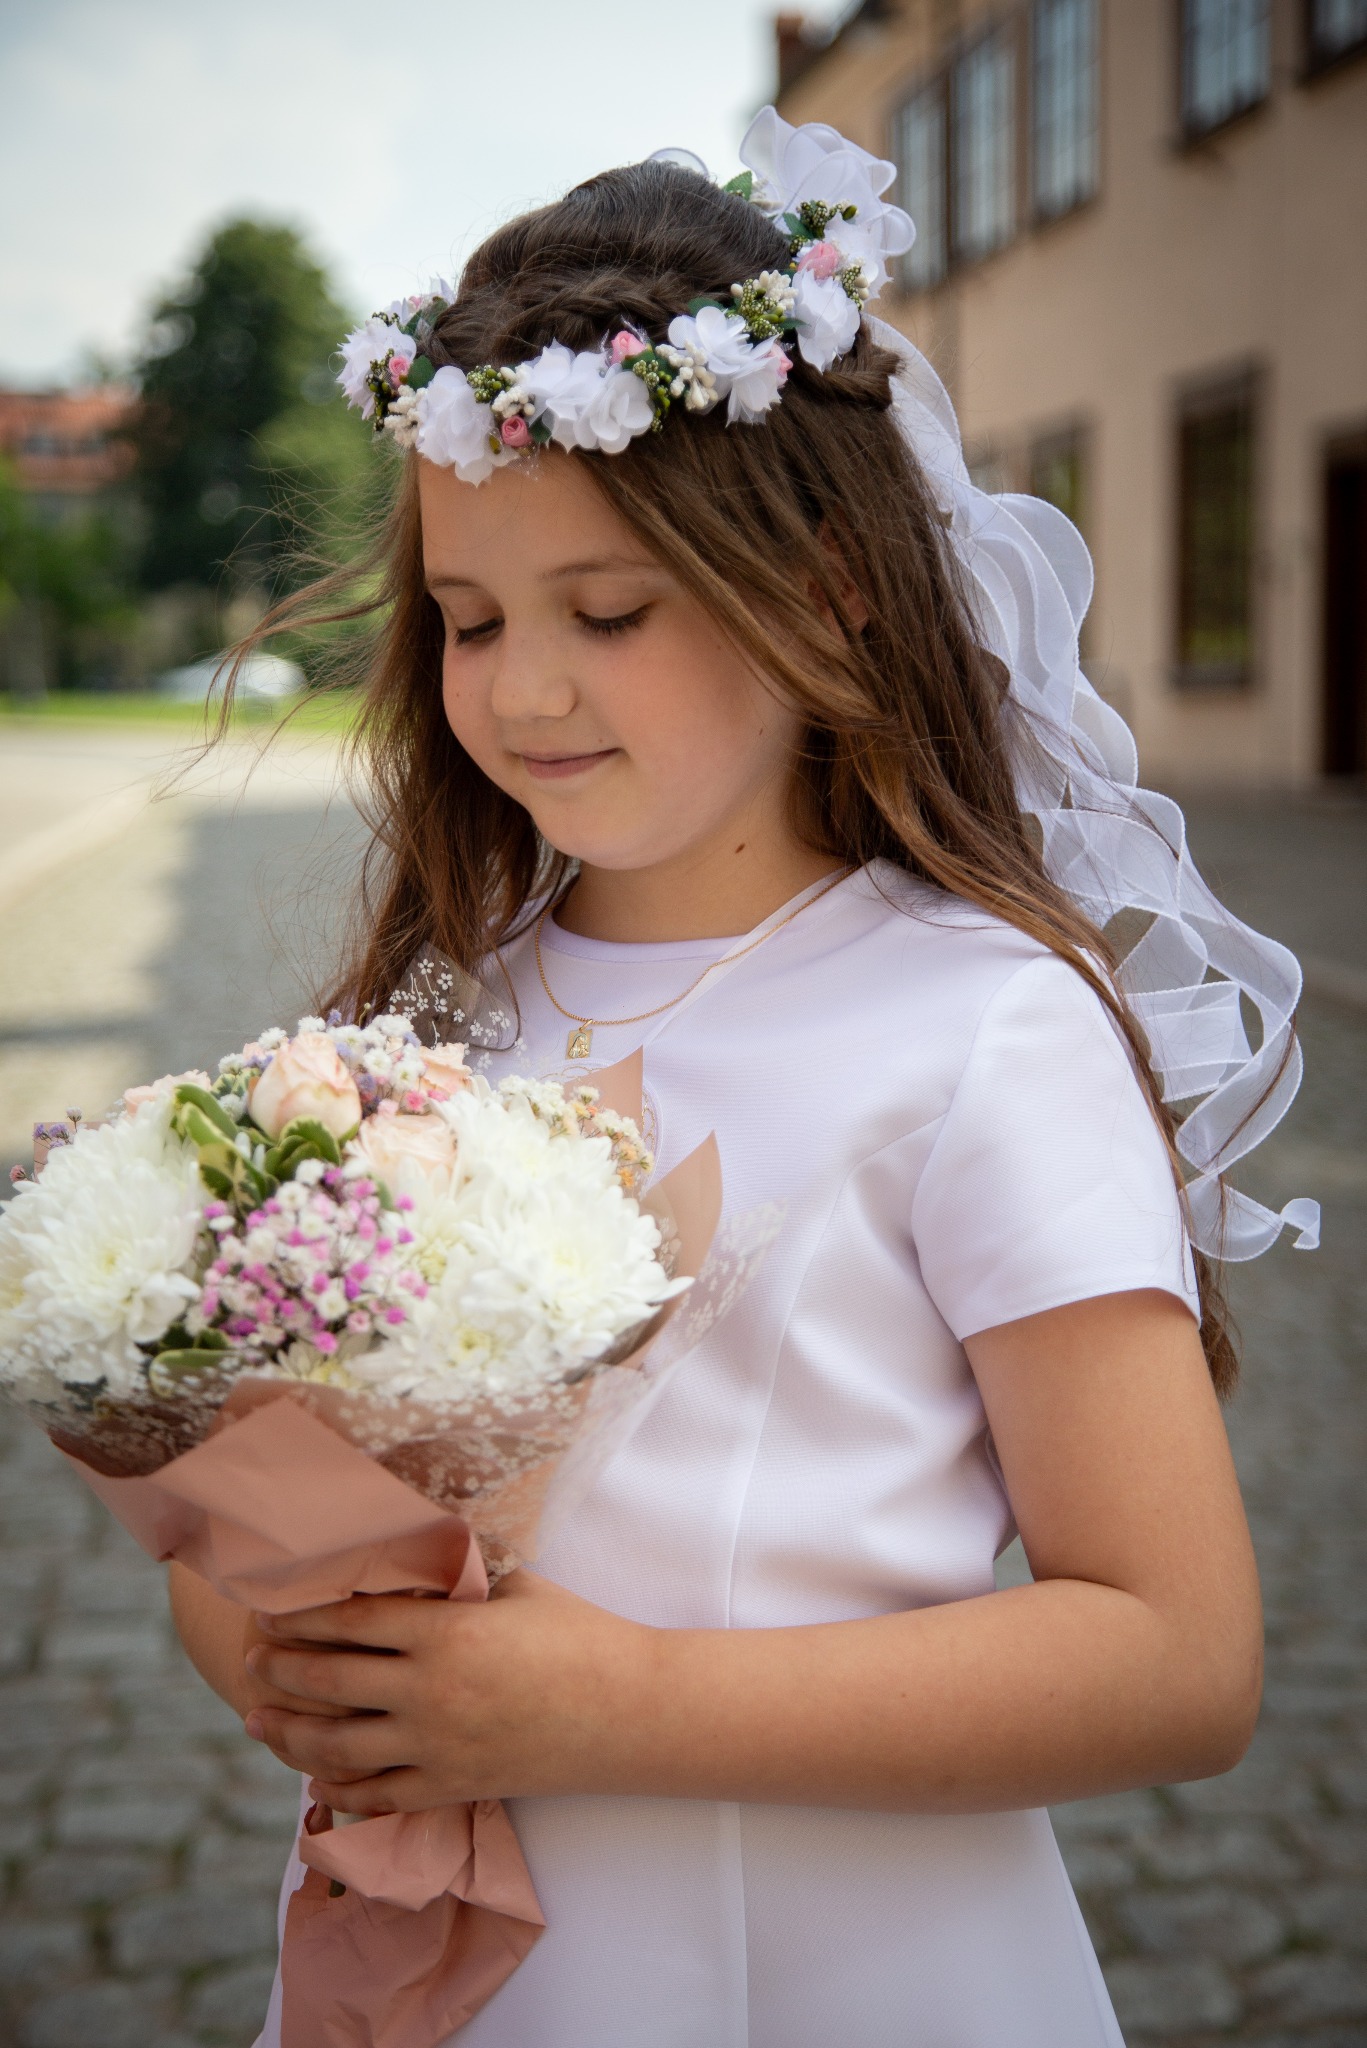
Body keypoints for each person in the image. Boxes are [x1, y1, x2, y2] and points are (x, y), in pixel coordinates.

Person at [170, 111, 1317, 2047]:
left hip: (856, 1973)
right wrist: (282, 1640)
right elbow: (298, 1514)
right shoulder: (439, 1018)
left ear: (839, 589)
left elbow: (1178, 1654)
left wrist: (604, 1702)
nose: (525, 687)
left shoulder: (984, 1023)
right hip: (487, 1976)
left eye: (610, 612)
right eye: (470, 621)